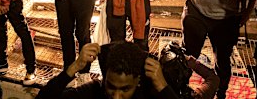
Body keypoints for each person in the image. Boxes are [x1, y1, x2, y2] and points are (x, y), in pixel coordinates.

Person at [36, 41, 178, 99]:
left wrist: (163, 87)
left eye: (125, 89)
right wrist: (73, 69)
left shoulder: (148, 94)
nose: (116, 97)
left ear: (138, 81)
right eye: (111, 86)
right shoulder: (95, 91)